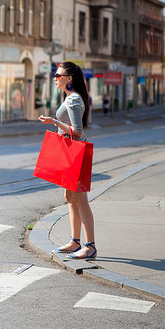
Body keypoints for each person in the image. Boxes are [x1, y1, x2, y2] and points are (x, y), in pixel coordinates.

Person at [38, 62, 96, 259]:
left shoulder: (73, 100)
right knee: (70, 198)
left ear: (69, 78)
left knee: (80, 200)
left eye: (58, 75)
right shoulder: (71, 97)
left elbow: (78, 131)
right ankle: (75, 241)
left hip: (75, 155)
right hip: (69, 154)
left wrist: (54, 122)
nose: (55, 78)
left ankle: (90, 246)